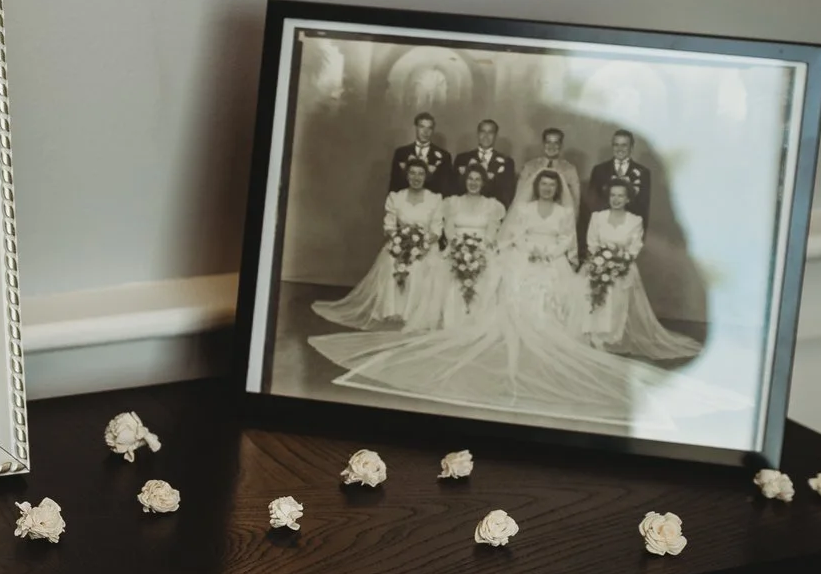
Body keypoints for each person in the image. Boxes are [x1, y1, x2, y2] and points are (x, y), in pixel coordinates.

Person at [309, 169, 739, 427]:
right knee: (514, 277)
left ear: (558, 191)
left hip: (550, 259)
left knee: (553, 280)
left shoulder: (567, 214)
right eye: (544, 188)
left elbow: (571, 245)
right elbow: (511, 238)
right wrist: (526, 249)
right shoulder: (525, 210)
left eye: (553, 188)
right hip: (525, 257)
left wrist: (549, 252)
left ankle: (552, 330)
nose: (548, 192)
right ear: (538, 190)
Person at [313, 158, 447, 331]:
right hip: (400, 244)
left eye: (421, 174)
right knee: (392, 262)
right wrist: (402, 241)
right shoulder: (396, 198)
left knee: (420, 265)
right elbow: (390, 226)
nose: (416, 177)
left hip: (425, 247)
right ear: (406, 175)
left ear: (426, 177)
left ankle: (413, 313)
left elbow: (436, 230)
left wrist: (419, 244)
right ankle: (392, 311)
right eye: (412, 173)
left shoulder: (434, 199)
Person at [582, 178, 700, 362]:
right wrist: (601, 259)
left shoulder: (634, 221)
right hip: (599, 263)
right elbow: (592, 242)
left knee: (618, 297)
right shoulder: (598, 218)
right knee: (594, 295)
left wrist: (620, 260)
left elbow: (635, 246)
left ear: (627, 199)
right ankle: (595, 335)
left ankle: (612, 337)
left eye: (621, 196)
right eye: (613, 195)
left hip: (623, 266)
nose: (616, 199)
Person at [434, 162, 508, 326]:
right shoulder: (452, 202)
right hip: (456, 247)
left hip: (481, 248)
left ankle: (479, 318)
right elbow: (449, 230)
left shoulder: (492, 205)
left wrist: (476, 251)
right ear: (464, 181)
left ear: (483, 183)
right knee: (446, 270)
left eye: (478, 179)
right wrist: (459, 248)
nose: (473, 183)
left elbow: (491, 232)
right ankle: (454, 317)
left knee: (490, 270)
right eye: (470, 179)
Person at [587, 129, 653, 222]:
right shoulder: (599, 170)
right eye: (616, 145)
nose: (619, 149)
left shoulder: (643, 173)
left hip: (630, 227)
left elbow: (643, 207)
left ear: (631, 147)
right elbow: (592, 203)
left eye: (624, 145)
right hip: (603, 225)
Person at [454, 119, 516, 208]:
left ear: (496, 136)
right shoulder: (462, 159)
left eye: (490, 132)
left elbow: (508, 193)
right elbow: (455, 189)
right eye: (483, 132)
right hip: (465, 208)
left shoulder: (507, 162)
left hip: (492, 210)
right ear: (478, 134)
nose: (486, 136)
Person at [386, 112, 452, 196]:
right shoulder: (401, 153)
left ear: (433, 130)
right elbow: (394, 184)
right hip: (404, 203)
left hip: (432, 205)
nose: (425, 132)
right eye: (422, 127)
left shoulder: (444, 156)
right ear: (415, 127)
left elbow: (445, 188)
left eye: (429, 128)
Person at [521, 127, 581, 215]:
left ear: (561, 145)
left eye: (556, 143)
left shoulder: (570, 169)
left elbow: (575, 201)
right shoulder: (529, 167)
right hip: (531, 214)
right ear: (543, 144)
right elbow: (520, 196)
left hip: (559, 217)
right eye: (548, 142)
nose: (551, 147)